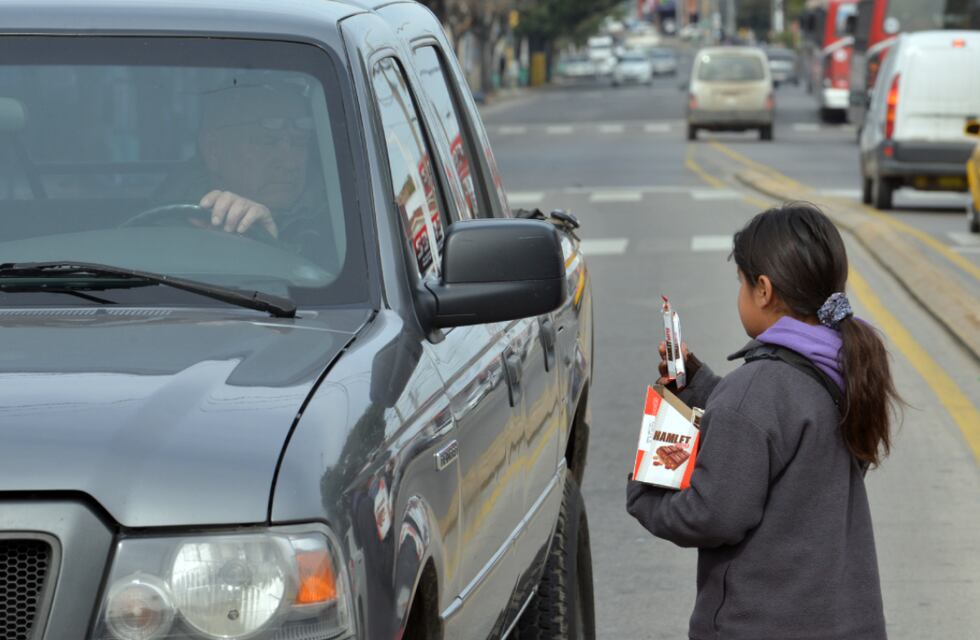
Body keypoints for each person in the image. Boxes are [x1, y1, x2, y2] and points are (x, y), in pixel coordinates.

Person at [626, 203, 899, 640]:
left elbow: (711, 515)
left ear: (764, 290)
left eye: (741, 283)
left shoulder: (755, 392)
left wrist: (646, 490)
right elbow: (783, 429)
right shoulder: (847, 369)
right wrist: (703, 388)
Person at [161, 83, 319, 240]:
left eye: (300, 142)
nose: (289, 164)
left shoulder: (336, 220)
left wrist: (266, 242)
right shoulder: (160, 229)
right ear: (213, 150)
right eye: (267, 142)